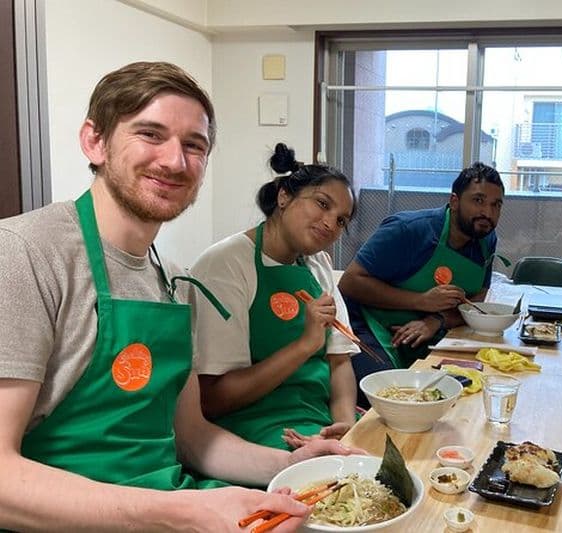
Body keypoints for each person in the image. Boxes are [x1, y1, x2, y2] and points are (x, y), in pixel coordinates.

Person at [0, 62, 359, 532]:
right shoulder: (25, 253)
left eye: (194, 145)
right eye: (150, 134)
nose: (175, 161)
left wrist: (292, 467)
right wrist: (179, 513)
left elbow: (192, 437)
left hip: (166, 500)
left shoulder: (172, 279)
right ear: (95, 141)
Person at [191, 143, 358, 452]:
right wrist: (304, 345)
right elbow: (213, 399)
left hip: (318, 419)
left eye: (341, 221)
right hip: (250, 430)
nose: (330, 224)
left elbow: (339, 361)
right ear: (284, 196)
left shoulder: (317, 264)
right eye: (322, 204)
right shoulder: (225, 265)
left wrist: (344, 427)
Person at [339, 162, 505, 407]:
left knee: (465, 388)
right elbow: (349, 282)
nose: (487, 213)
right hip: (366, 323)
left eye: (496, 205)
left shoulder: (485, 238)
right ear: (455, 201)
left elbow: (478, 296)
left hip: (421, 329)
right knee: (389, 396)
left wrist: (436, 320)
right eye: (478, 201)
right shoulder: (408, 231)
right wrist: (421, 301)